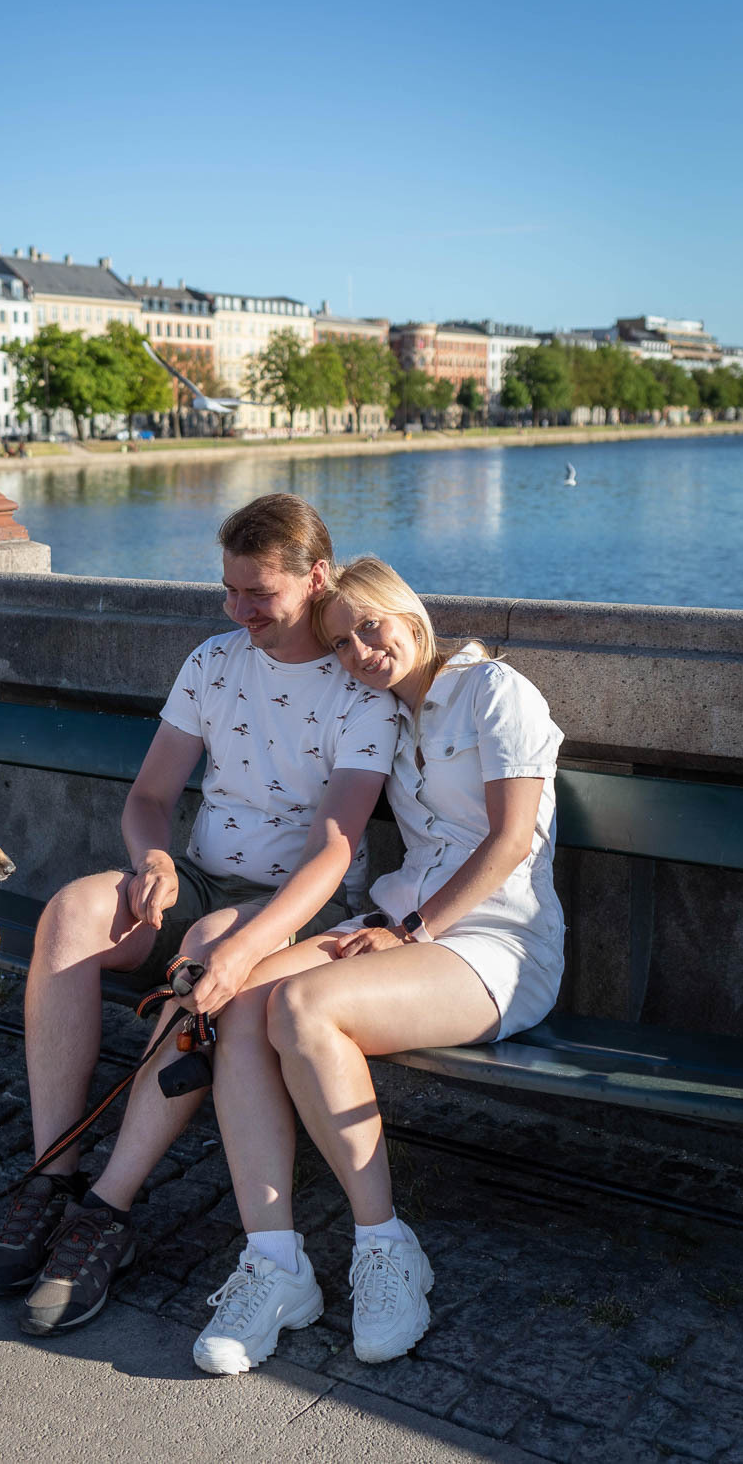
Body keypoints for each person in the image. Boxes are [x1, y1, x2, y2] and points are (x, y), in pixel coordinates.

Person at [0, 498, 400, 1337]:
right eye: (228, 590)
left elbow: (332, 851)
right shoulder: (212, 661)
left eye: (259, 593)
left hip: (298, 905)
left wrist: (244, 946)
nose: (240, 610)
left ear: (315, 578)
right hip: (200, 876)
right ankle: (52, 1174)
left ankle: (106, 1212)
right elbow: (149, 798)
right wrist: (153, 861)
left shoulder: (360, 688)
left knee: (208, 949)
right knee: (69, 913)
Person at [194, 556, 565, 1375]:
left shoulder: (494, 691)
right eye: (341, 642)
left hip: (496, 946)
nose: (360, 651)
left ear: (408, 613)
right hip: (398, 926)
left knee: (303, 1009)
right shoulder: (388, 716)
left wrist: (415, 929)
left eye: (370, 627)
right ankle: (275, 1264)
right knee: (241, 1001)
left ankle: (385, 1248)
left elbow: (510, 840)